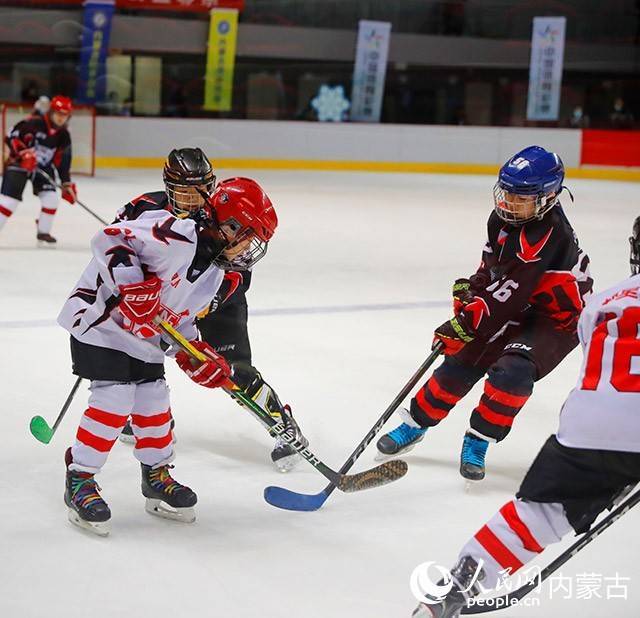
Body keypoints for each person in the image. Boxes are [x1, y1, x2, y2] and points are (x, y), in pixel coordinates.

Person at [412, 216, 640, 618]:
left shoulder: (607, 299)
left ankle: (456, 587)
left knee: (538, 514)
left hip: (589, 425)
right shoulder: (511, 233)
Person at [56, 147, 277, 536]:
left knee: (154, 400)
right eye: (245, 238)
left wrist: (196, 353)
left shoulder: (213, 272)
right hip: (102, 325)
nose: (247, 249)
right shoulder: (173, 231)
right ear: (227, 227)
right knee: (114, 399)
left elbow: (180, 318)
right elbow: (109, 241)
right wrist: (131, 285)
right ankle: (81, 478)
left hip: (142, 340)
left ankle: (156, 475)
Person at [377, 146, 593, 481]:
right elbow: (496, 270)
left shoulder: (549, 234)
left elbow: (510, 294)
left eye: (520, 198)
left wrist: (464, 322)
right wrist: (474, 288)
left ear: (548, 197)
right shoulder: (503, 220)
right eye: (506, 193)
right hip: (519, 303)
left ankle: (479, 440)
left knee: (512, 373)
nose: (508, 202)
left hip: (556, 318)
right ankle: (414, 425)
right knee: (463, 359)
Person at [0, 95, 77, 243]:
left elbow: (64, 161)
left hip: (42, 167)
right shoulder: (33, 122)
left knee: (52, 198)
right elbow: (10, 135)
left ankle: (43, 231)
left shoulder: (64, 135)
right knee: (9, 202)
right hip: (19, 164)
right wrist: (23, 153)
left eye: (65, 115)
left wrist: (66, 183)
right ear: (52, 111)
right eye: (59, 114)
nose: (61, 118)